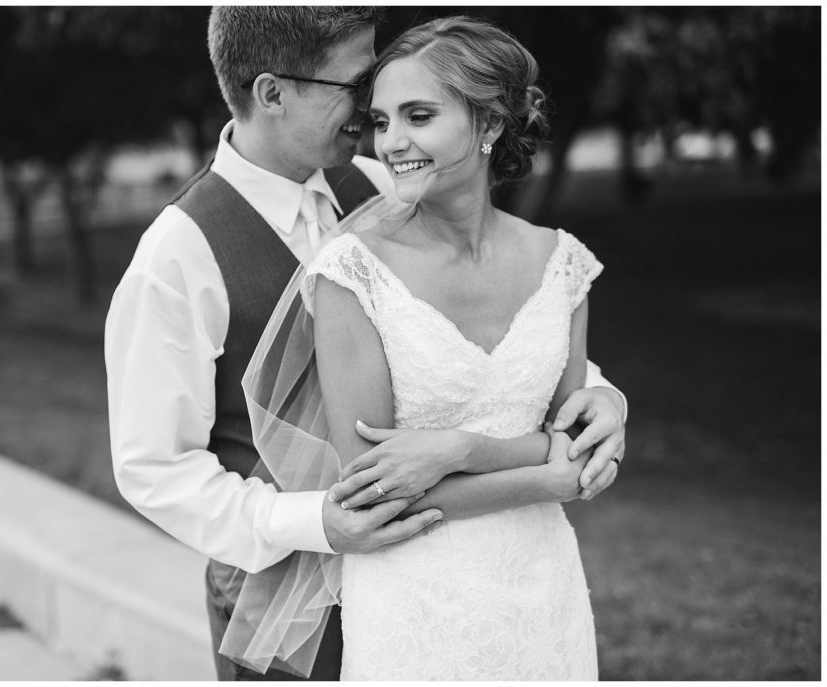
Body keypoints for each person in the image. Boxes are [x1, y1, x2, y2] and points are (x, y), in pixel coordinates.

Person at [105, 7, 626, 682]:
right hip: (281, 602)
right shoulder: (176, 257)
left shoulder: (381, 184)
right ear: (272, 92)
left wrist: (602, 392)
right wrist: (319, 520)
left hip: (440, 574)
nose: (370, 115)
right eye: (355, 87)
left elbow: (484, 334)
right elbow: (152, 468)